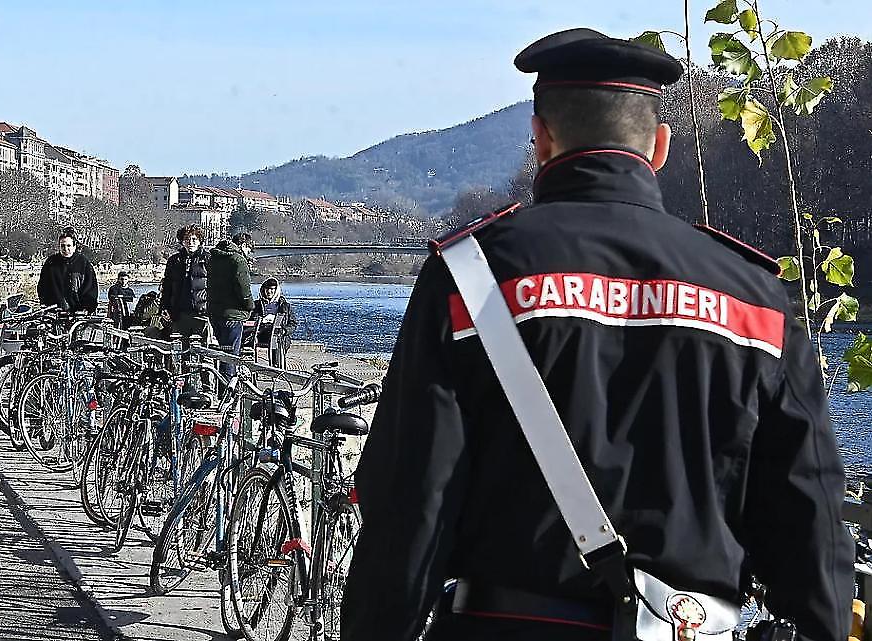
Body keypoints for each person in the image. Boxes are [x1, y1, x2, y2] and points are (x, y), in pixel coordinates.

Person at [341, 28, 853, 641]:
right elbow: (811, 517)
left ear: (541, 139)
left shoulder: (471, 278)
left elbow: (412, 506)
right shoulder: (755, 296)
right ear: (660, 148)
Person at [208, 232, 255, 379]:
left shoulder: (214, 258)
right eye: (249, 249)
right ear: (243, 245)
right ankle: (228, 393)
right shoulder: (238, 260)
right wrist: (250, 306)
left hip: (215, 312)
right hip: (233, 314)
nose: (249, 254)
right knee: (231, 355)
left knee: (223, 352)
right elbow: (244, 289)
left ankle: (221, 389)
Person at [160, 225, 210, 340]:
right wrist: (164, 307)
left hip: (201, 313)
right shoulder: (174, 261)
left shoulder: (207, 259)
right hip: (179, 313)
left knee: (201, 349)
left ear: (199, 241)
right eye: (187, 239)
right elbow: (167, 287)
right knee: (179, 348)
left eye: (194, 239)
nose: (190, 242)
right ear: (182, 241)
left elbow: (215, 287)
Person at [37, 230, 98, 314]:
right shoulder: (51, 263)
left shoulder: (83, 263)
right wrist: (44, 303)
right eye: (62, 246)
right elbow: (42, 286)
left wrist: (87, 308)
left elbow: (91, 288)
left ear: (74, 246)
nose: (65, 249)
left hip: (79, 312)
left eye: (68, 245)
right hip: (55, 311)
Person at [251, 277, 297, 365]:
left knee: (277, 341)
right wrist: (261, 321)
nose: (269, 291)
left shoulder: (285, 306)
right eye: (267, 289)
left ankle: (277, 368)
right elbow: (250, 319)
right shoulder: (256, 305)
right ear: (263, 290)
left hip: (279, 335)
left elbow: (293, 324)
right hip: (259, 334)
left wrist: (285, 330)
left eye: (272, 289)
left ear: (276, 290)